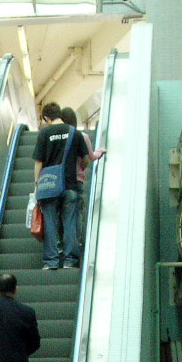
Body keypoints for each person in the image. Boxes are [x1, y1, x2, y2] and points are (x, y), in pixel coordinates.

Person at [32, 102, 90, 270]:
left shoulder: (44, 133)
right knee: (70, 222)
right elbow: (85, 158)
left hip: (49, 185)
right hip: (70, 184)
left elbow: (38, 162)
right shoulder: (74, 133)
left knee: (50, 222)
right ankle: (70, 260)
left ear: (46, 118)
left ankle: (51, 260)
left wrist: (37, 184)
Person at [59, 107, 106, 244]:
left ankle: (60, 243)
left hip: (60, 181)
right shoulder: (82, 137)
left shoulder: (60, 138)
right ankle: (76, 241)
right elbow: (90, 157)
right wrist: (100, 151)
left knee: (60, 211)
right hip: (76, 180)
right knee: (76, 211)